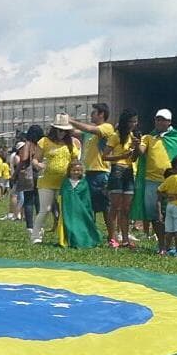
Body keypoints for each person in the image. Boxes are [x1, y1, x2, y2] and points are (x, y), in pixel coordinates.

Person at [135, 108, 177, 255]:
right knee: (155, 214)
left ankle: (175, 246)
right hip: (152, 181)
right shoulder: (148, 138)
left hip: (172, 181)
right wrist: (137, 144)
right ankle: (162, 245)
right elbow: (141, 152)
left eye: (163, 119)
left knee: (173, 212)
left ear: (169, 122)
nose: (160, 122)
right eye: (157, 119)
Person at [31, 114, 80, 244]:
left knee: (66, 210)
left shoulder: (72, 143)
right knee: (45, 209)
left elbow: (75, 161)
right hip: (46, 181)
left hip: (64, 182)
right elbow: (35, 159)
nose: (62, 133)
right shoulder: (44, 142)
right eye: (59, 130)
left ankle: (65, 236)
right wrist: (38, 164)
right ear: (54, 129)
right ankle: (36, 236)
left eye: (64, 130)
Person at [69, 103, 114, 238]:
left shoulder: (106, 127)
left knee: (106, 207)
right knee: (89, 206)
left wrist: (71, 120)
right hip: (87, 172)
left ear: (101, 114)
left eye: (94, 113)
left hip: (100, 172)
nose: (90, 115)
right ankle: (91, 234)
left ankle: (112, 237)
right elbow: (73, 131)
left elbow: (88, 129)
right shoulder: (88, 132)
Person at [104, 109, 139, 248]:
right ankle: (112, 238)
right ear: (125, 122)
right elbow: (104, 156)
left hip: (129, 171)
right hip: (117, 170)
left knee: (126, 208)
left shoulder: (133, 136)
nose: (133, 124)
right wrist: (121, 157)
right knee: (115, 206)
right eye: (131, 121)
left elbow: (135, 158)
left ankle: (125, 239)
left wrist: (136, 148)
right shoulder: (115, 136)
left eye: (135, 121)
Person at [56, 159, 101, 248]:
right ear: (69, 171)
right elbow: (62, 195)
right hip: (69, 210)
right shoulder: (66, 182)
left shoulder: (84, 183)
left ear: (82, 171)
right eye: (74, 170)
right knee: (70, 226)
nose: (76, 172)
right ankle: (71, 241)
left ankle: (84, 240)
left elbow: (86, 198)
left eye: (79, 170)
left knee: (81, 226)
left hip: (81, 211)